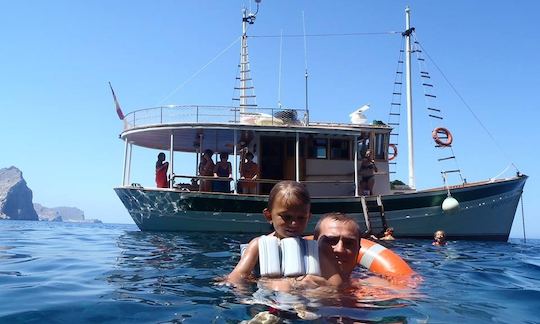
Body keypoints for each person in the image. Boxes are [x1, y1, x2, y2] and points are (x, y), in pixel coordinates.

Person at [227, 181, 312, 284]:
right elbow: (237, 276)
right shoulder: (258, 245)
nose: (294, 223)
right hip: (267, 295)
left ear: (309, 218)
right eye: (286, 217)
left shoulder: (310, 246)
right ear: (269, 216)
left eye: (301, 218)